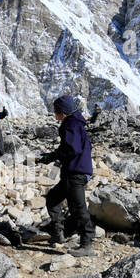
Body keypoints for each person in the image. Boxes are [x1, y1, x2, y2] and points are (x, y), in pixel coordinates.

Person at [38, 94, 95, 256]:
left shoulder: (70, 125)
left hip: (75, 172)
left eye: (55, 110)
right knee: (53, 198)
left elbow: (72, 149)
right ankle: (58, 234)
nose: (54, 113)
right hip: (76, 171)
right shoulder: (76, 123)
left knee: (78, 208)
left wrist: (53, 155)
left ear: (61, 111)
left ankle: (87, 244)